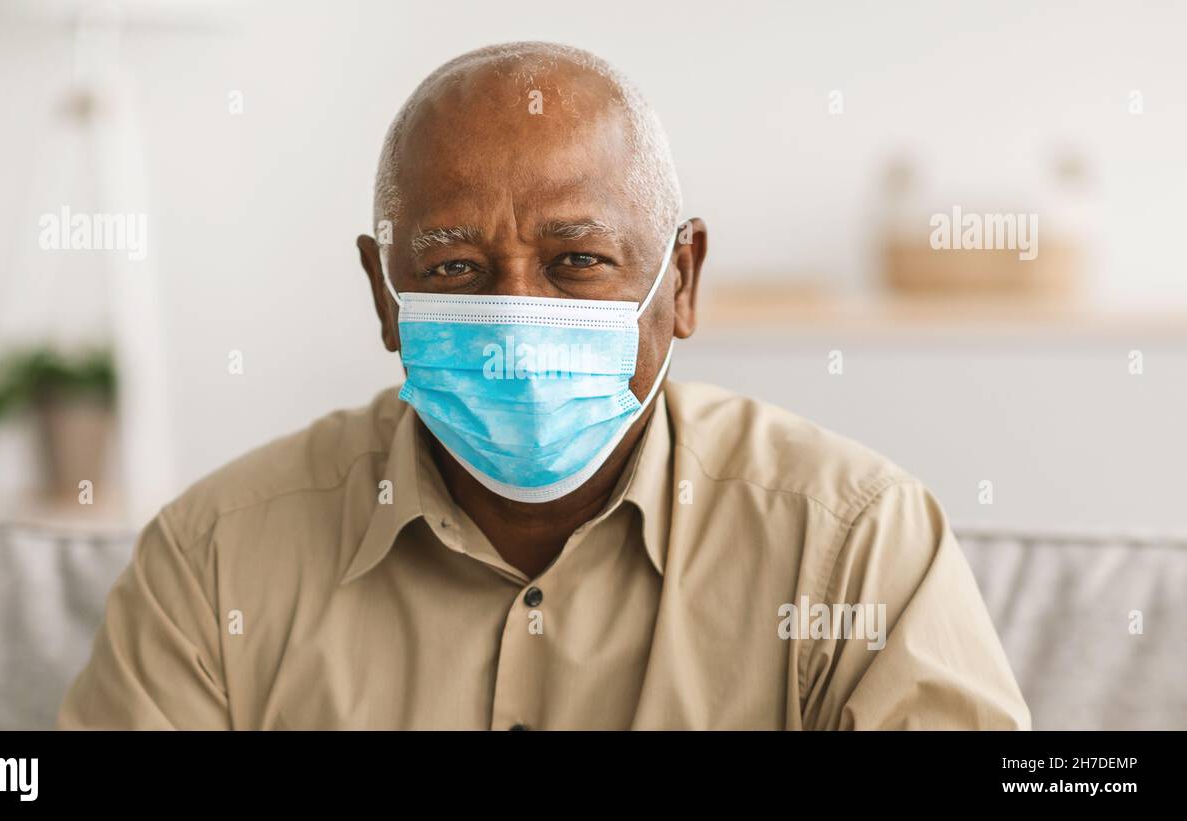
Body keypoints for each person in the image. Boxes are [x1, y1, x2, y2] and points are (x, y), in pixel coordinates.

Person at [58, 41, 1029, 730]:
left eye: (576, 261)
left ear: (680, 281)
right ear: (383, 295)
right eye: (454, 269)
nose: (518, 321)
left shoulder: (853, 542)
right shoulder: (214, 557)